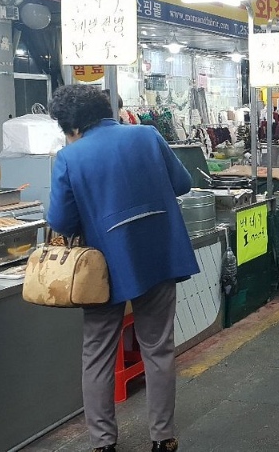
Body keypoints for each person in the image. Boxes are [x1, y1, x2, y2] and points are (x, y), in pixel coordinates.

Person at [47, 85, 197, 452]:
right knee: (158, 348)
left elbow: (61, 221)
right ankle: (162, 438)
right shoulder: (148, 135)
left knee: (98, 353)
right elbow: (183, 184)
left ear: (71, 126)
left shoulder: (69, 157)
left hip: (104, 267)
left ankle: (103, 443)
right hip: (159, 255)